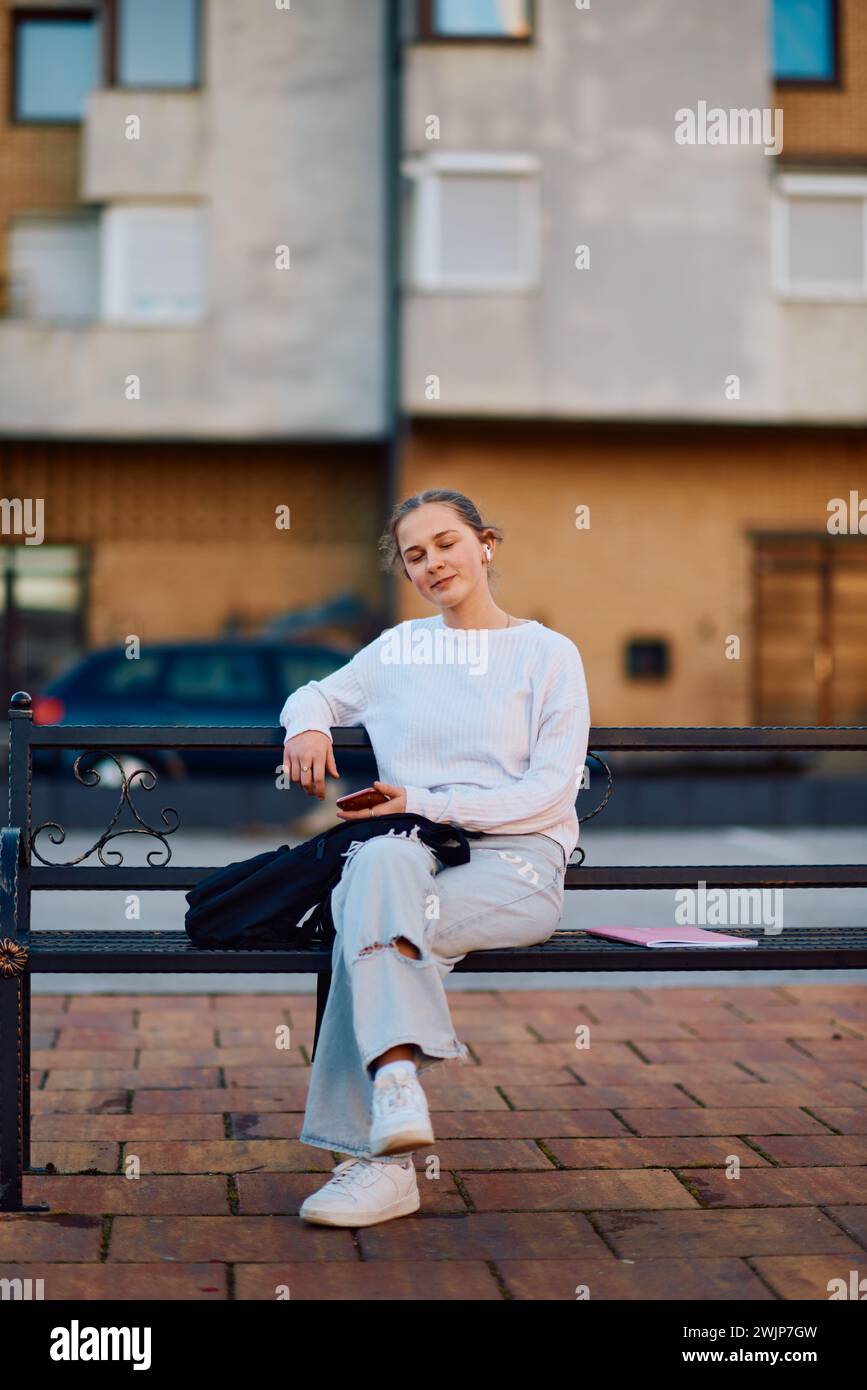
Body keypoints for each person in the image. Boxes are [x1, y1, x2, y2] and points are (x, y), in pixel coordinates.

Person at [280, 488, 591, 1227]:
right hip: (411, 857)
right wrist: (305, 726)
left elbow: (548, 793)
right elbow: (313, 693)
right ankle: (396, 1085)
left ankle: (378, 1168)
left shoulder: (548, 654)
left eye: (446, 543)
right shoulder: (398, 651)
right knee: (378, 872)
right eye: (414, 555)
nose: (432, 563)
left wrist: (426, 800)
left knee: (368, 925)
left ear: (485, 543)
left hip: (515, 866)